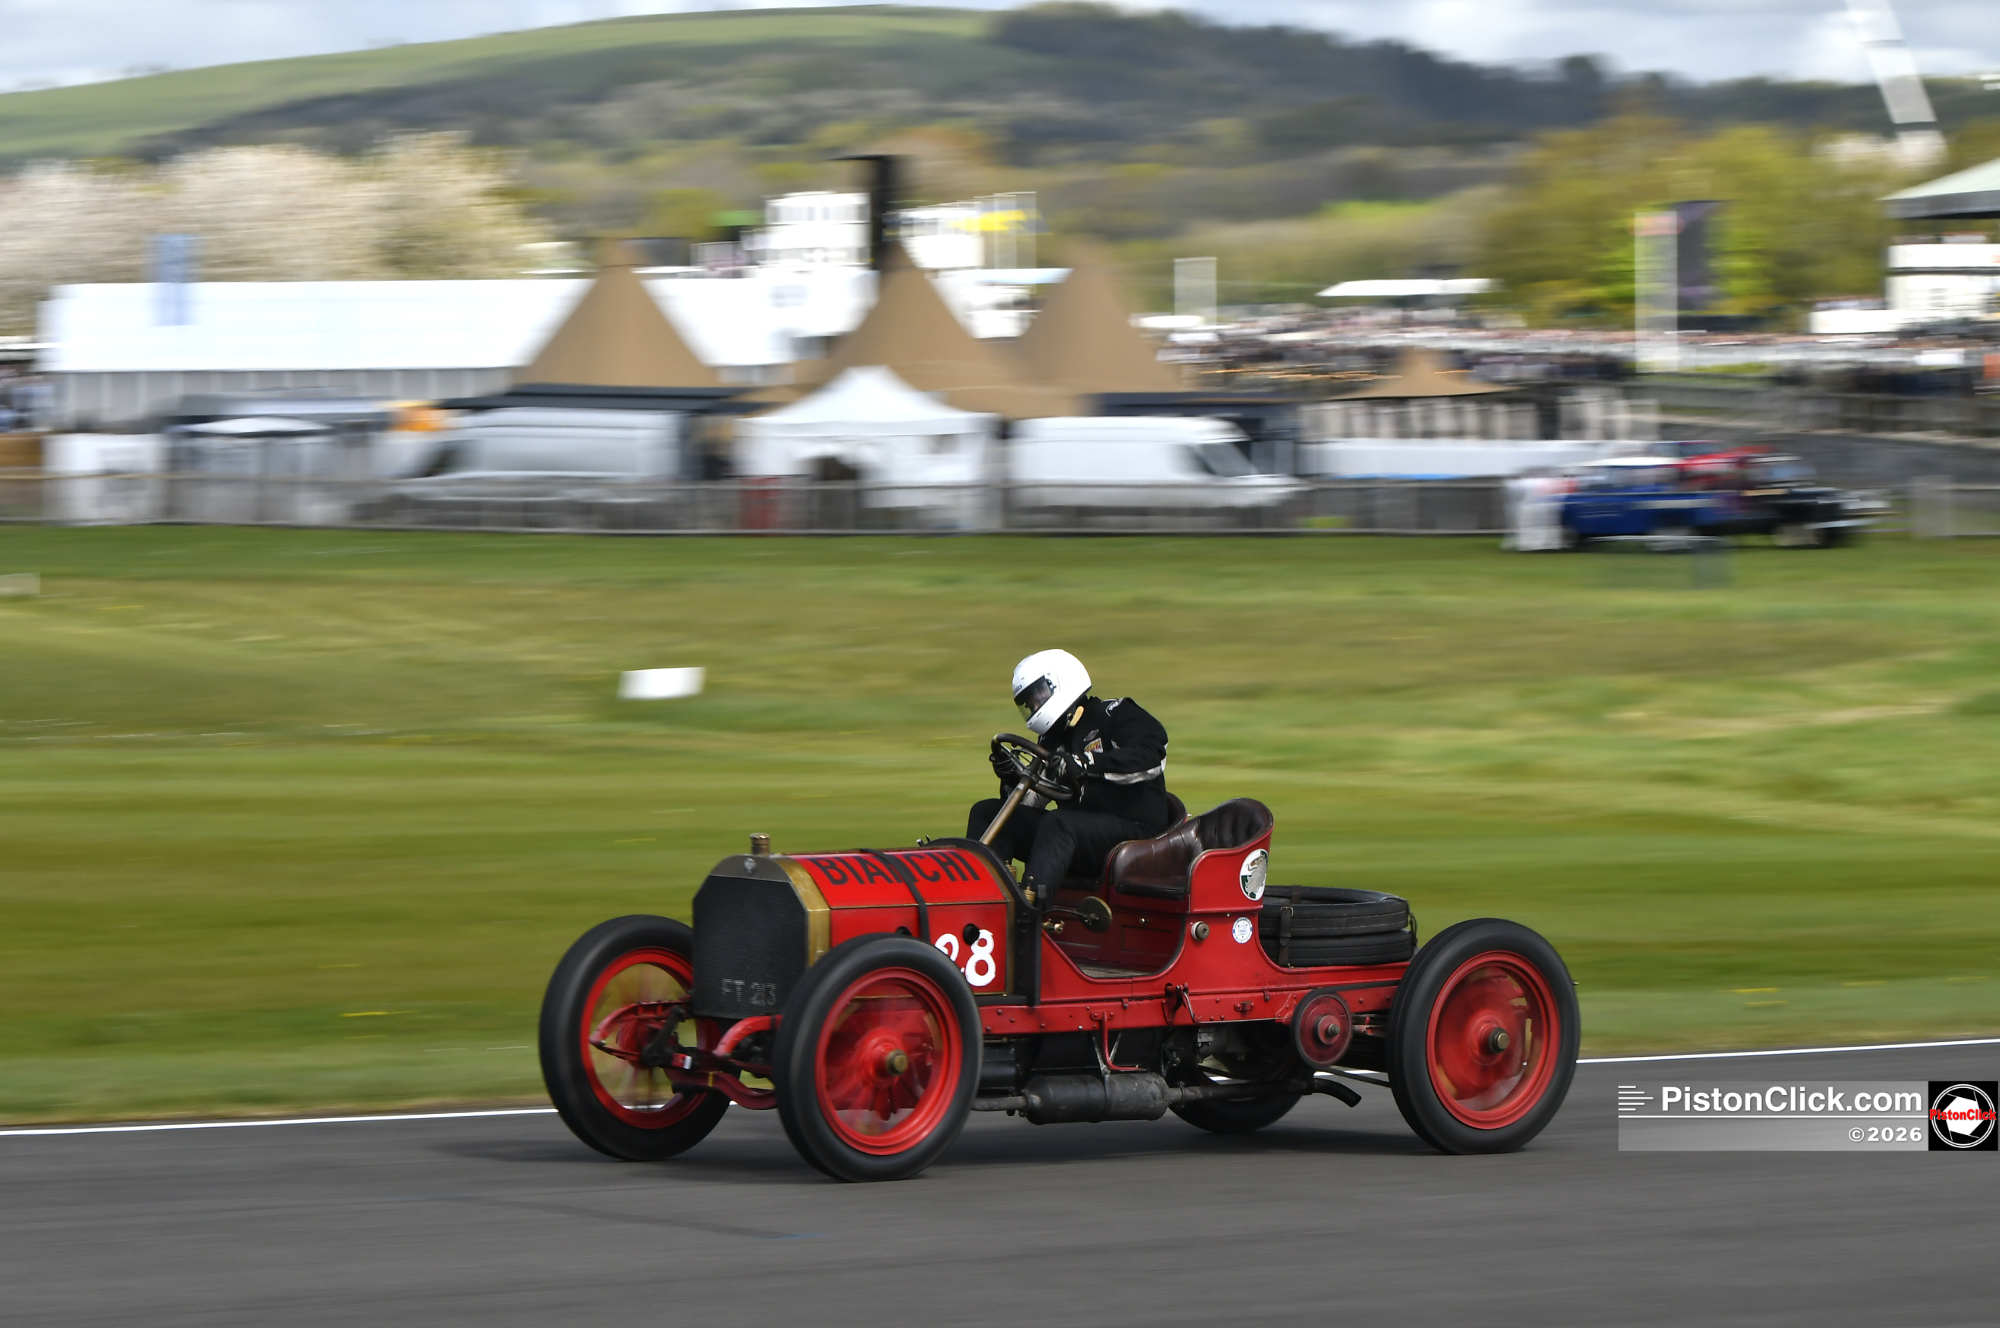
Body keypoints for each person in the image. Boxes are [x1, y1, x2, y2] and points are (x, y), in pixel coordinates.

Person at [966, 649, 1173, 906]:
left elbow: (1152, 758)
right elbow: (1030, 801)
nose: (1032, 706)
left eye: (1036, 696)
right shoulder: (1052, 739)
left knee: (1058, 824)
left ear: (1061, 681)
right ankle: (978, 898)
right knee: (987, 813)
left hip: (1135, 834)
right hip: (1078, 834)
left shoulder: (1114, 714)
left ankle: (1026, 913)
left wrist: (1085, 765)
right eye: (1027, 703)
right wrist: (1011, 777)